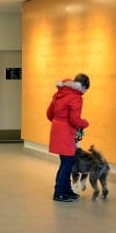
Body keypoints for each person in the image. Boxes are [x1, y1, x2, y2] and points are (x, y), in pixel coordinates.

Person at [47, 72, 90, 202]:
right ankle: (59, 193)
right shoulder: (75, 98)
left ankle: (67, 190)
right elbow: (74, 119)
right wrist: (85, 123)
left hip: (57, 130)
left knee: (66, 162)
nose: (85, 92)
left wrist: (59, 122)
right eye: (86, 89)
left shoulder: (59, 93)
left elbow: (49, 114)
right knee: (67, 164)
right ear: (82, 86)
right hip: (66, 133)